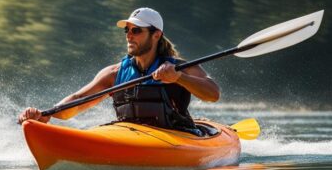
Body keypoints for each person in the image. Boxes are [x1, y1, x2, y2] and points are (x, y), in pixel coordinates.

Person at [18, 7, 220, 134]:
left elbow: (213, 94)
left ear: (156, 34)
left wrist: (179, 78)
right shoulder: (114, 73)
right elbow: (79, 99)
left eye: (136, 30)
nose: (129, 36)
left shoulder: (179, 66)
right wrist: (48, 114)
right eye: (127, 30)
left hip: (177, 136)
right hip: (131, 135)